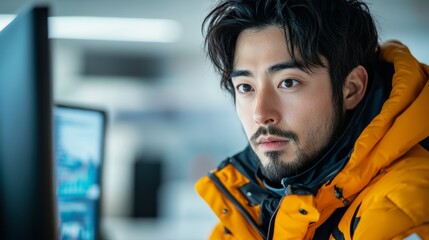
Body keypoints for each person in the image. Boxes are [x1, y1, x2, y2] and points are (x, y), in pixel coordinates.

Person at [195, 0, 429, 239]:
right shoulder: (242, 218)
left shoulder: (406, 208)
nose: (261, 114)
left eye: (288, 82)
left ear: (351, 89)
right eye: (245, 87)